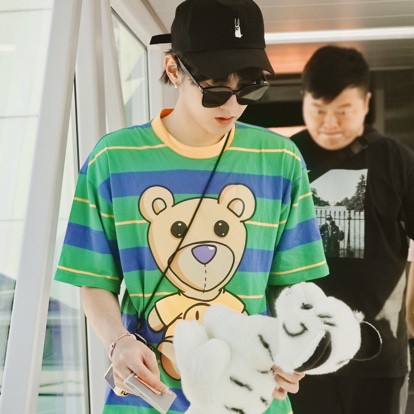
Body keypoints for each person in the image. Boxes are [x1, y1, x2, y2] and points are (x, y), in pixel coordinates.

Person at [54, 1, 329, 413]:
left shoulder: (280, 160)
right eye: (216, 90)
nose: (232, 106)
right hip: (148, 397)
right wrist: (118, 342)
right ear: (173, 70)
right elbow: (93, 279)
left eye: (249, 88)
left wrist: (294, 346)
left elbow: (293, 287)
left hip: (251, 394)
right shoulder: (113, 160)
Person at [288, 45, 414, 414]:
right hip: (302, 349)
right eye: (318, 110)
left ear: (366, 103)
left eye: (343, 111)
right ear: (304, 100)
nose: (329, 123)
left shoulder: (396, 160)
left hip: (377, 353)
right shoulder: (285, 158)